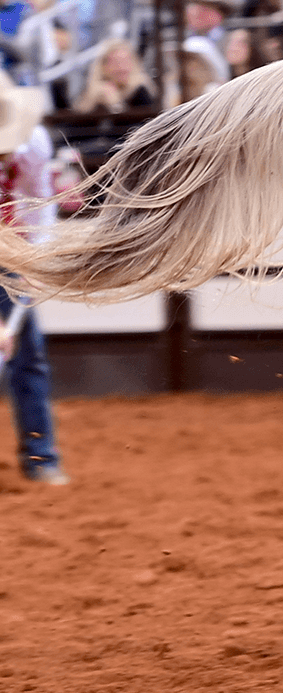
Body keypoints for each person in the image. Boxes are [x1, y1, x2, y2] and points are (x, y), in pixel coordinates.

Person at [0, 68, 68, 485]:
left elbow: (41, 205)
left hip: (13, 250)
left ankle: (41, 457)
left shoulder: (34, 144)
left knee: (28, 354)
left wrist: (35, 265)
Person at [72, 37, 155, 112]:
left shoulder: (140, 91)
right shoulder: (91, 93)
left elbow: (143, 124)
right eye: (115, 62)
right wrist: (96, 100)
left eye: (125, 62)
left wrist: (115, 104)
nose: (121, 67)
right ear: (103, 66)